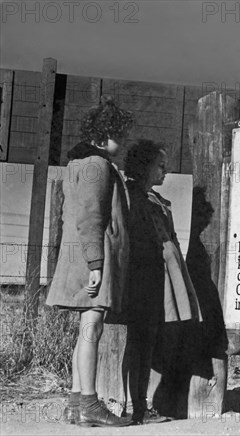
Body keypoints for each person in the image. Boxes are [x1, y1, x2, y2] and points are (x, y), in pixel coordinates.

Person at [46, 96, 134, 427]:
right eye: (118, 136)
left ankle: (74, 403)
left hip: (82, 256)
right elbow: (92, 217)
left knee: (87, 327)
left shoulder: (79, 164)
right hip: (92, 259)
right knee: (92, 328)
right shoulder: (97, 166)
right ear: (100, 137)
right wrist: (96, 263)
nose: (122, 143)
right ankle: (90, 405)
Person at [123, 139, 202, 425]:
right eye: (160, 166)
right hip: (142, 277)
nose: (165, 172)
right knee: (140, 343)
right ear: (144, 166)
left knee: (156, 339)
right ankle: (136, 408)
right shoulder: (131, 196)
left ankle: (146, 404)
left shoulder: (154, 199)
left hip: (163, 277)